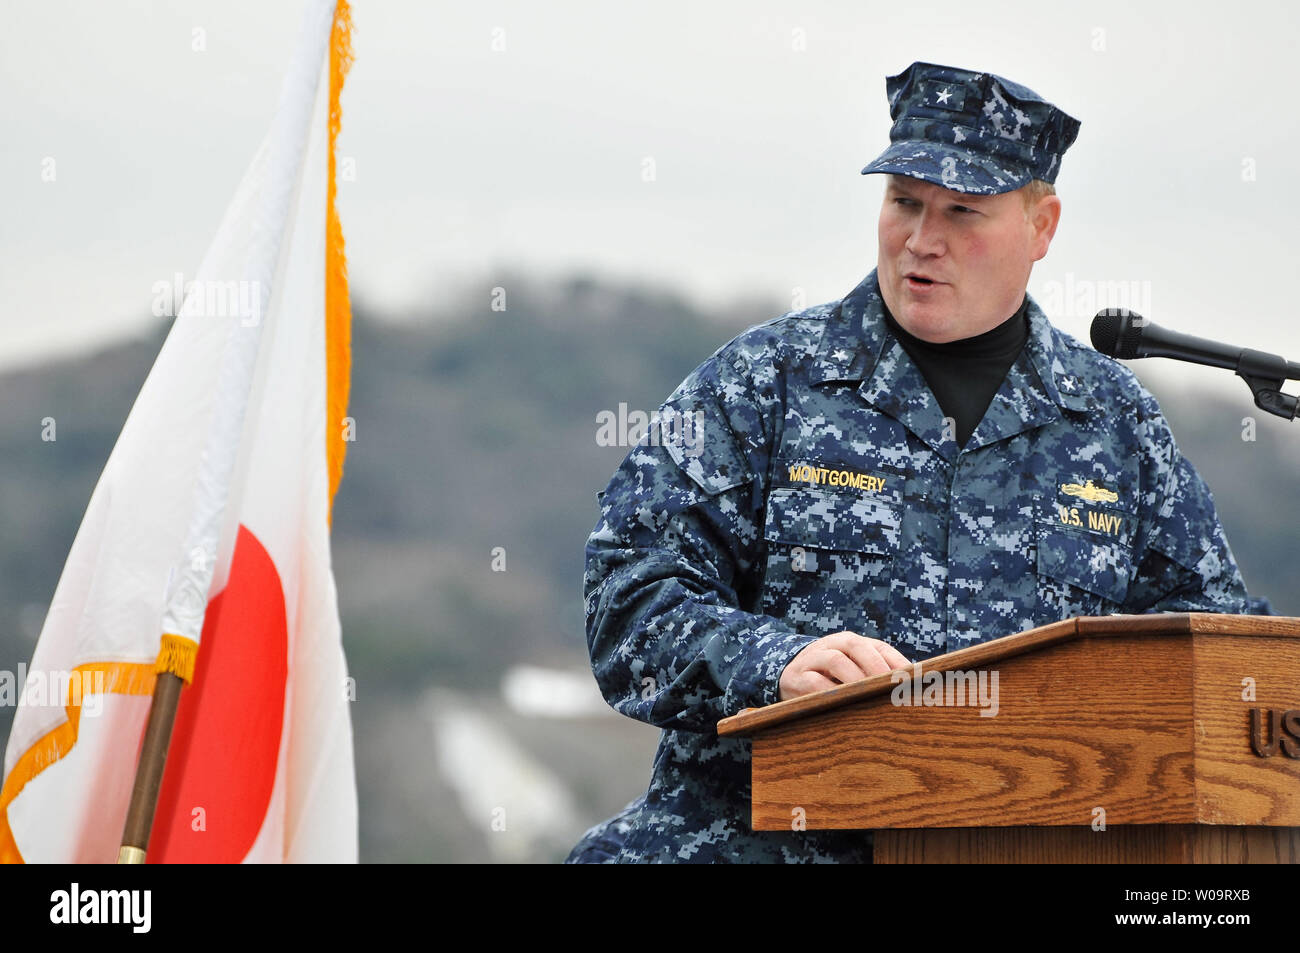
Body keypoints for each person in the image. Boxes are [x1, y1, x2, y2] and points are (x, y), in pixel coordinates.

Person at [566, 61, 1264, 864]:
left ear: (1043, 227)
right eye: (904, 202)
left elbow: (1215, 656)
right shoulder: (764, 383)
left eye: (963, 211)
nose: (921, 241)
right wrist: (773, 661)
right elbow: (628, 602)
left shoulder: (1117, 424)